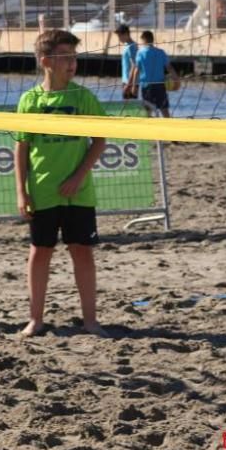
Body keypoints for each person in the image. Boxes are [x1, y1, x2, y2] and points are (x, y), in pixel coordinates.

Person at [14, 29, 108, 338]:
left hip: (78, 192)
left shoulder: (82, 97)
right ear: (46, 62)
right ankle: (36, 320)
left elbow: (100, 139)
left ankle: (91, 321)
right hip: (43, 190)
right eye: (65, 57)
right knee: (40, 252)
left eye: (74, 58)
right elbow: (22, 147)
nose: (72, 64)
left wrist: (78, 176)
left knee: (81, 251)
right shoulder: (30, 100)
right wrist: (21, 191)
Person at [128, 30, 180, 118]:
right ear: (152, 40)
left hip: (147, 86)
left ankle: (150, 129)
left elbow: (136, 70)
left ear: (143, 40)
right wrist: (176, 80)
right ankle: (170, 128)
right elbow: (169, 68)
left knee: (148, 112)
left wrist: (134, 86)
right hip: (160, 86)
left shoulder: (140, 53)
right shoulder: (161, 52)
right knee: (164, 110)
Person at [115, 23, 138, 100]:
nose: (119, 38)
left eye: (119, 36)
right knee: (126, 108)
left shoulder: (131, 46)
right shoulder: (127, 45)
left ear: (126, 34)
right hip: (126, 80)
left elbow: (134, 66)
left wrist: (129, 84)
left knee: (130, 108)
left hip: (130, 82)